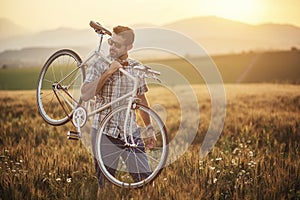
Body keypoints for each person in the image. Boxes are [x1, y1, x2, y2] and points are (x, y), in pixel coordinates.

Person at [80, 25, 157, 190]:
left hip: (130, 132)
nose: (112, 47)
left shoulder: (136, 68)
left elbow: (141, 99)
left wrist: (149, 128)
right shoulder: (100, 64)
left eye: (117, 44)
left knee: (145, 184)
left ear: (129, 47)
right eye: (111, 42)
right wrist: (108, 72)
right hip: (104, 133)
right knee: (106, 189)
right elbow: (86, 94)